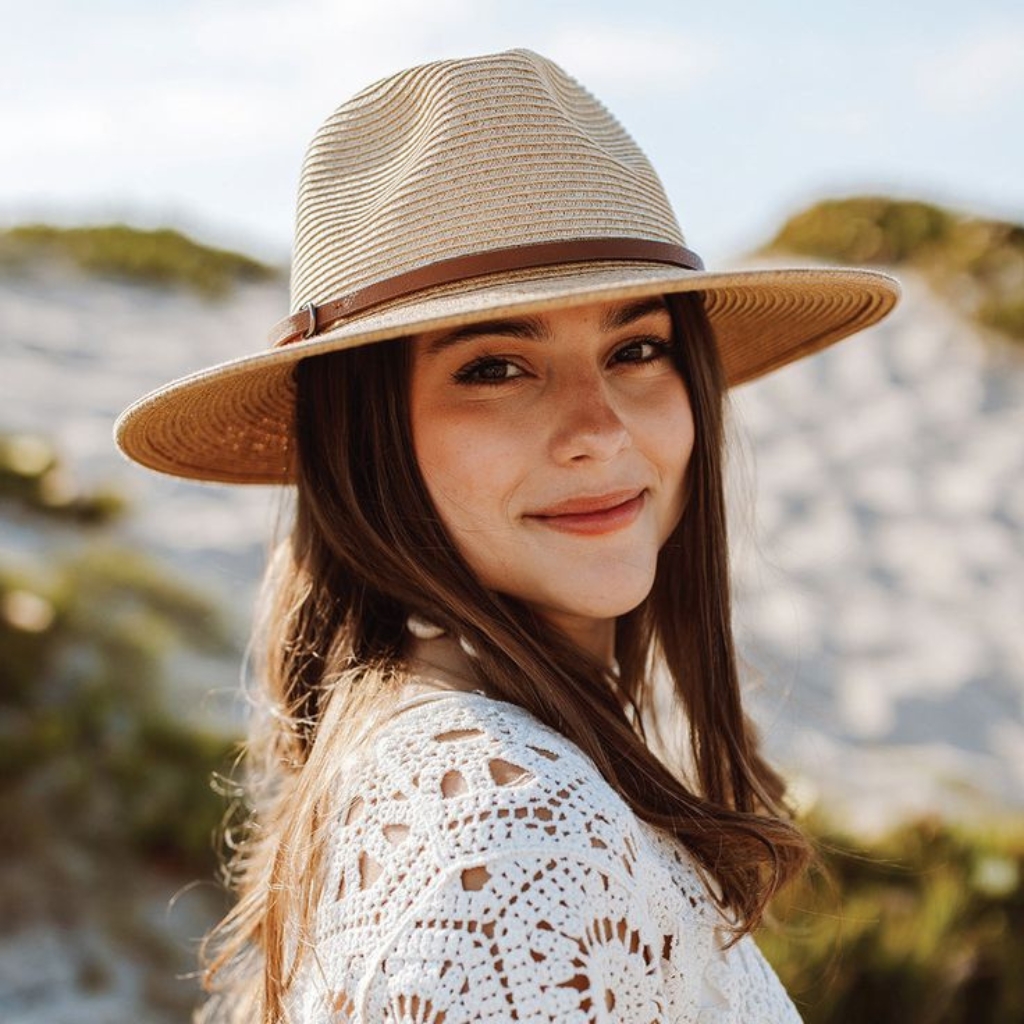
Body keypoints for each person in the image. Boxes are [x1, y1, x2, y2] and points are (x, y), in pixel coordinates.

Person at [116, 48, 899, 1023]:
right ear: (367, 437)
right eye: (495, 366)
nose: (599, 432)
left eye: (637, 349)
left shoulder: (417, 754)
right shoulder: (513, 832)